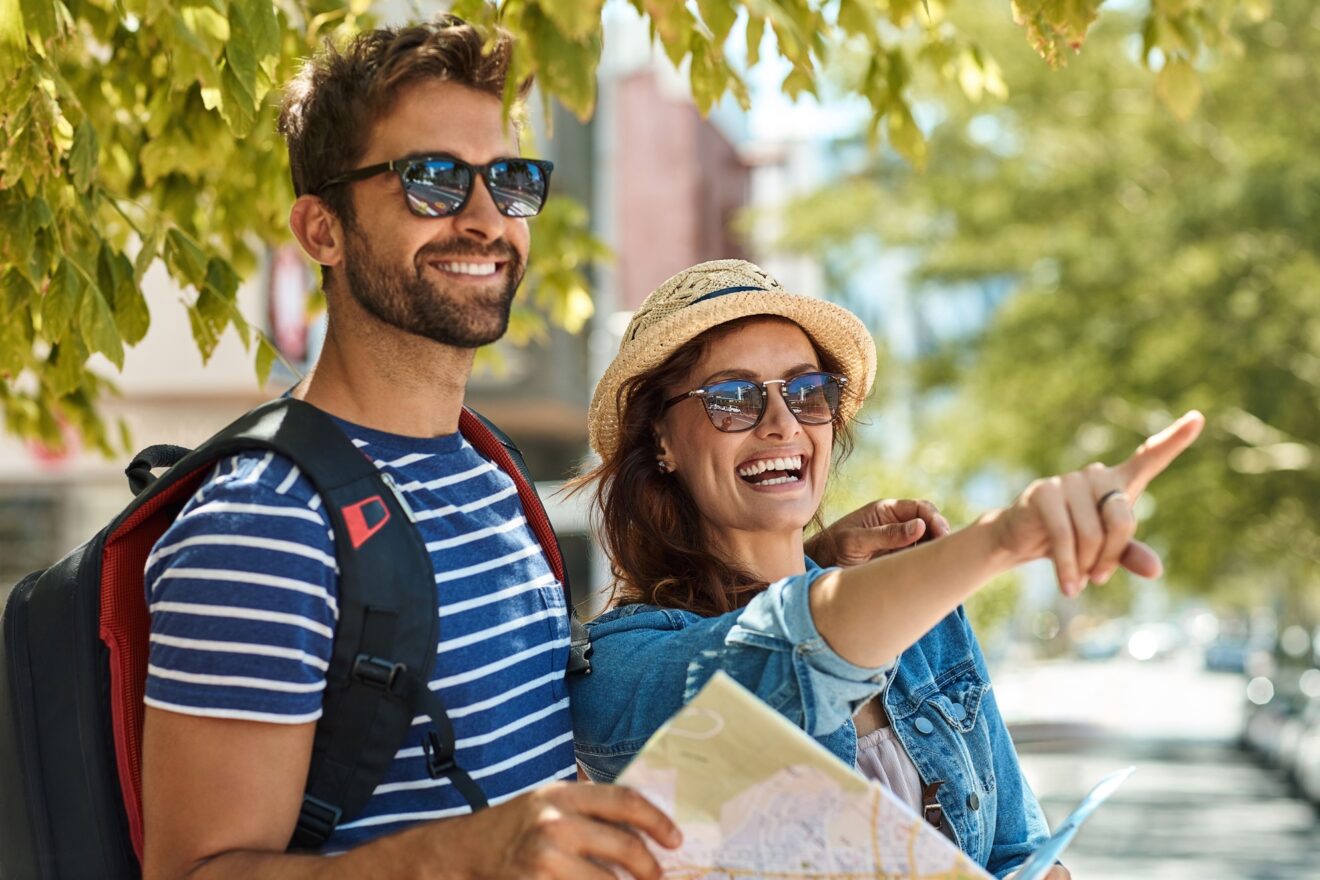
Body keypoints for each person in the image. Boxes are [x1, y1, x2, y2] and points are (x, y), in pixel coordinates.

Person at [138, 17, 941, 880]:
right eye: (433, 180)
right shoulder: (265, 522)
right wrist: (472, 854)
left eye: (510, 180)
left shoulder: (487, 477)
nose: (486, 219)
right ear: (321, 229)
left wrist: (815, 562)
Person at [569, 260, 1204, 879]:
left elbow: (1018, 845)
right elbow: (788, 657)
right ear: (660, 441)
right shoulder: (620, 664)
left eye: (806, 391)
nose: (782, 423)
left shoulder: (923, 618)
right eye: (732, 399)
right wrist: (1005, 538)